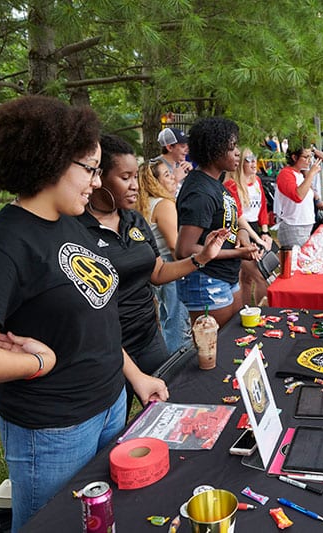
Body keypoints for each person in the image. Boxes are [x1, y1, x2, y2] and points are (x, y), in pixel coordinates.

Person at [0, 96, 169, 532]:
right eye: (90, 168)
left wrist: (134, 376)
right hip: (54, 431)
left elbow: (98, 317)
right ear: (51, 160)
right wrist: (38, 362)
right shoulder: (6, 244)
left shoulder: (71, 221)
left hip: (111, 404)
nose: (97, 183)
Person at [79, 134, 227, 411]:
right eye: (125, 177)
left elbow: (157, 272)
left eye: (136, 176)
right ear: (98, 178)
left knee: (169, 408)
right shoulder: (76, 227)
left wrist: (202, 258)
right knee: (115, 429)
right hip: (107, 348)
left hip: (147, 337)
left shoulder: (134, 220)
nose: (135, 186)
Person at [175, 118, 259, 327]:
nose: (238, 152)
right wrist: (238, 253)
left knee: (233, 339)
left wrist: (242, 235)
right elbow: (184, 249)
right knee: (217, 348)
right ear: (213, 151)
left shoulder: (216, 184)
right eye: (232, 147)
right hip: (206, 281)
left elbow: (229, 225)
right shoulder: (200, 191)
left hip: (226, 277)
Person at [134, 159, 192, 354]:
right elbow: (174, 246)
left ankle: (169, 357)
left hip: (153, 266)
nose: (174, 179)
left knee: (167, 316)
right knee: (177, 319)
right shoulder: (164, 204)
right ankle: (177, 364)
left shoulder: (143, 204)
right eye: (167, 175)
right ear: (154, 181)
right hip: (169, 267)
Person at [224, 147, 274, 305]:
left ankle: (245, 309)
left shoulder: (257, 180)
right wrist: (257, 239)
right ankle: (263, 312)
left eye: (254, 158)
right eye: (249, 159)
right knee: (261, 276)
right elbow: (239, 217)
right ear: (240, 164)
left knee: (247, 278)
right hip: (241, 234)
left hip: (256, 231)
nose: (253, 163)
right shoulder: (231, 185)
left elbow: (263, 208)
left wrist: (265, 232)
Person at [274, 143, 323, 248]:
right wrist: (310, 174)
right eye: (306, 157)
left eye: (310, 157)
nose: (309, 161)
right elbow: (298, 196)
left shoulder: (300, 174)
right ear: (294, 157)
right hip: (294, 227)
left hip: (304, 226)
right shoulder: (286, 174)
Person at [155, 127, 193, 194]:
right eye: (183, 146)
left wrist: (192, 175)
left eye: (188, 146)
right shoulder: (154, 167)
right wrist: (175, 179)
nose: (187, 150)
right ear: (169, 147)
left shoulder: (182, 165)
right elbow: (155, 196)